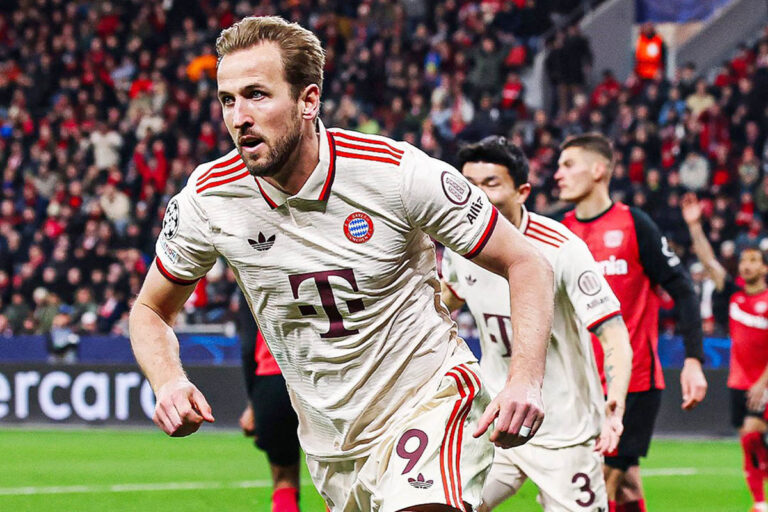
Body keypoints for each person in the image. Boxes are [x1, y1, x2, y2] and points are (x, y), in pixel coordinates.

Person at [129, 16, 555, 512]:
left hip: (429, 400)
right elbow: (151, 310)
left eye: (257, 95)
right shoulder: (208, 200)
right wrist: (169, 380)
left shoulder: (395, 174)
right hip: (331, 441)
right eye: (228, 100)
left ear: (308, 100)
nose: (239, 117)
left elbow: (526, 261)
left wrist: (525, 379)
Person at [440, 136, 632, 511]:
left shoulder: (562, 248)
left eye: (491, 184)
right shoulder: (460, 247)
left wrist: (616, 404)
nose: (477, 195)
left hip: (564, 432)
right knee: (438, 504)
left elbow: (613, 334)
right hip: (493, 422)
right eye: (469, 184)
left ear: (522, 192)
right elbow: (446, 301)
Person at [555, 133, 708, 512]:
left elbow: (683, 290)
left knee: (597, 484)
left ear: (598, 170)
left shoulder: (634, 224)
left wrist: (693, 359)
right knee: (625, 487)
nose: (558, 174)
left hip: (634, 382)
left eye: (568, 165)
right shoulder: (560, 232)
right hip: (581, 384)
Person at [681, 193, 768, 512]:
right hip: (738, 382)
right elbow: (709, 262)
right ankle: (759, 501)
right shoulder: (734, 295)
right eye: (744, 261)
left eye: (754, 260)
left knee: (751, 435)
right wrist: (694, 227)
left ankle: (760, 502)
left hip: (763, 382)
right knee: (749, 442)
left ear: (764, 267)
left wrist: (763, 382)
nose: (747, 265)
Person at [237, 293, 301, 512]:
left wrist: (253, 404)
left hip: (272, 379)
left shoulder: (253, 275)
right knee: (340, 481)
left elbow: (248, 346)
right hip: (323, 377)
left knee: (284, 479)